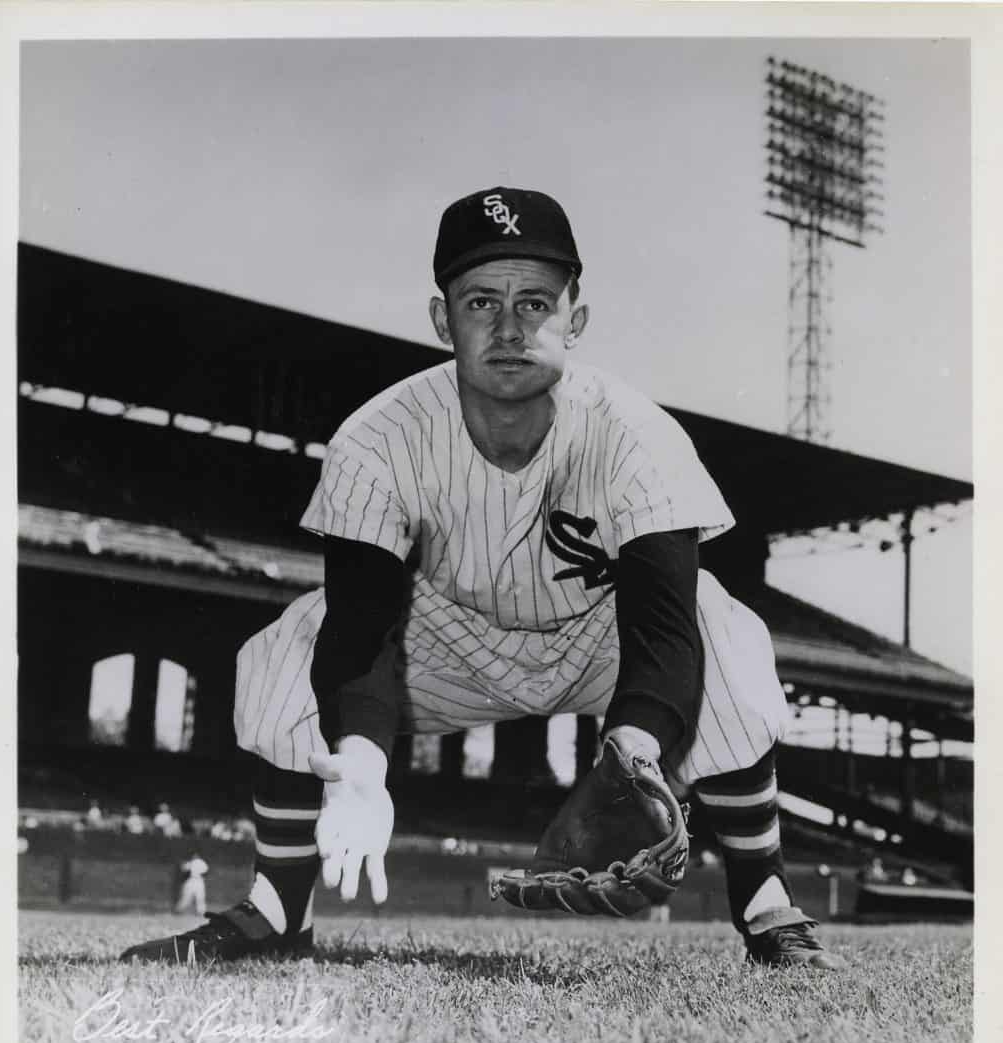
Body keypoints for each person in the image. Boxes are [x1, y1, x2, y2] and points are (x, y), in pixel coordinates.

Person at [123, 186, 843, 970]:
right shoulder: (376, 439)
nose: (509, 328)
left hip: (596, 632)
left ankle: (767, 905)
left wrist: (630, 758)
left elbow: (664, 630)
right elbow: (362, 623)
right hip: (445, 637)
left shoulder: (637, 435)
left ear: (577, 318)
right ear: (443, 320)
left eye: (535, 302)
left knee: (721, 626)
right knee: (292, 640)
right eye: (481, 302)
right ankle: (274, 916)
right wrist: (361, 765)